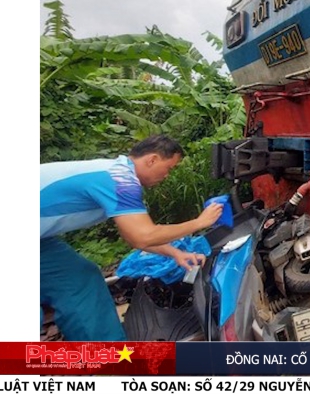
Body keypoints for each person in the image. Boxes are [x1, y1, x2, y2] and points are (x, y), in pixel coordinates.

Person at [40, 135, 223, 341]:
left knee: (79, 279)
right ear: (152, 160)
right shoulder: (121, 179)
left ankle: (104, 356)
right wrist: (198, 223)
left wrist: (174, 252)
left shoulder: (116, 173)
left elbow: (132, 235)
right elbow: (143, 236)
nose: (167, 175)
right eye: (169, 168)